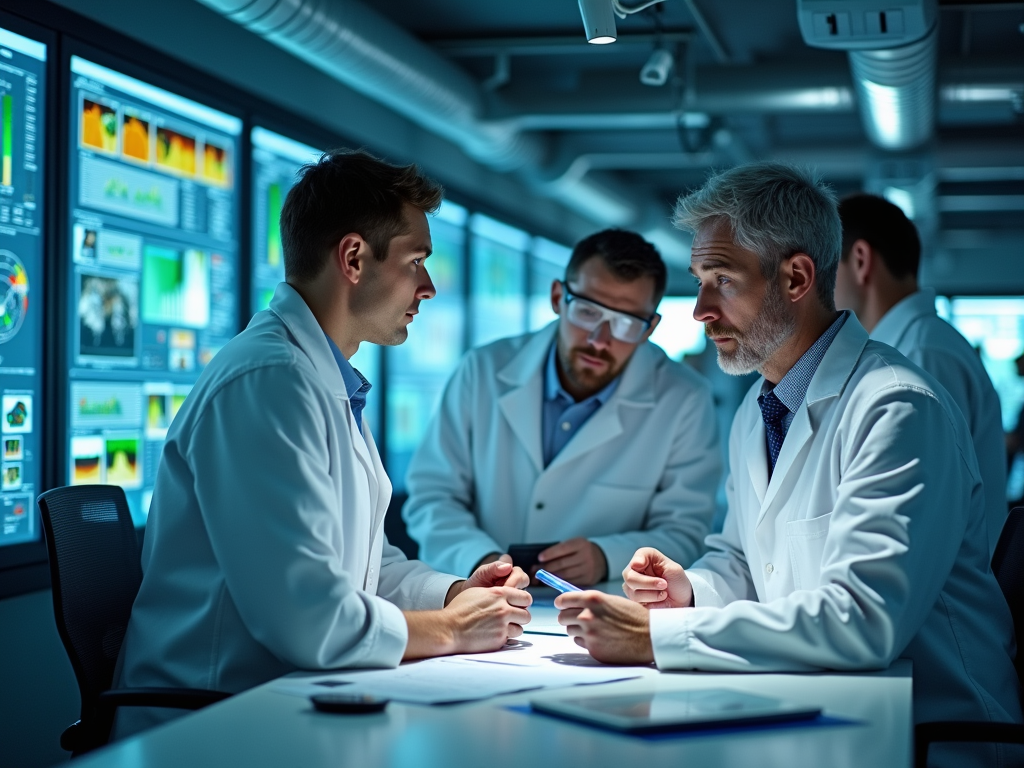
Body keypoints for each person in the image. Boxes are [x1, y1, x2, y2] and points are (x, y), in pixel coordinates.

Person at [556, 163, 1021, 768]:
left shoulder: (898, 407)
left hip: (927, 737)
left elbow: (863, 620)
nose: (699, 310)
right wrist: (690, 588)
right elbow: (744, 558)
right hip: (815, 709)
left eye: (720, 279)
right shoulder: (760, 403)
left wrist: (656, 638)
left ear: (797, 277)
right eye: (699, 280)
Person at [114, 150, 531, 738]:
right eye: (416, 261)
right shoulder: (268, 382)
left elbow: (363, 566)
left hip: (289, 701)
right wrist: (454, 628)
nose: (429, 286)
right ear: (354, 258)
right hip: (214, 723)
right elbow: (311, 621)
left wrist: (455, 591)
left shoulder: (321, 379)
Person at [402, 229, 721, 586]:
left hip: (602, 608)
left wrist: (605, 557)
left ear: (650, 329)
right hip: (478, 595)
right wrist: (483, 560)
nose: (600, 340)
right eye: (587, 311)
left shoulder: (684, 399)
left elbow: (685, 531)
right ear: (558, 297)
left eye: (626, 323)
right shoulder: (483, 370)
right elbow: (433, 497)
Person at [834, 193, 1007, 553]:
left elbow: (917, 524)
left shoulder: (920, 356)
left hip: (941, 599)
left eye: (825, 267)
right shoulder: (917, 345)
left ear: (861, 261)